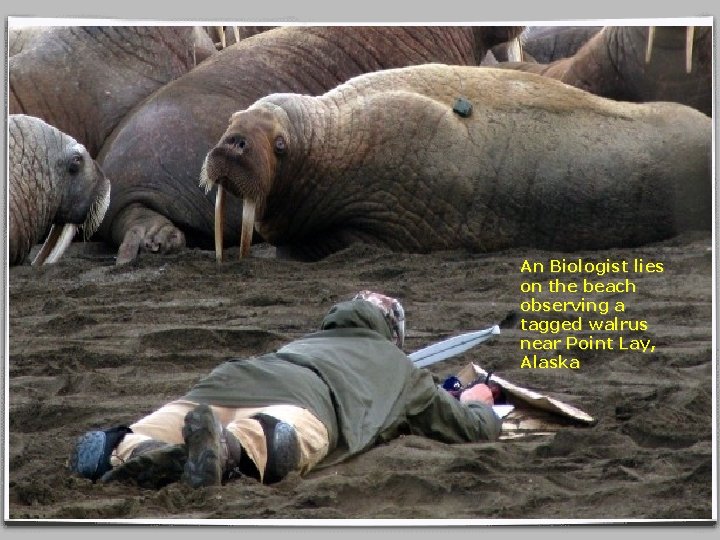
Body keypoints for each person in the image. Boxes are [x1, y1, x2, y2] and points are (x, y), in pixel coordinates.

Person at [69, 291, 501, 489]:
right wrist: (478, 404)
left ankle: (125, 450)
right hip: (310, 399)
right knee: (276, 435)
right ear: (392, 335)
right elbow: (466, 427)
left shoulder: (307, 340)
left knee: (160, 426)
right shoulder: (403, 370)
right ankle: (226, 451)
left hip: (231, 380)